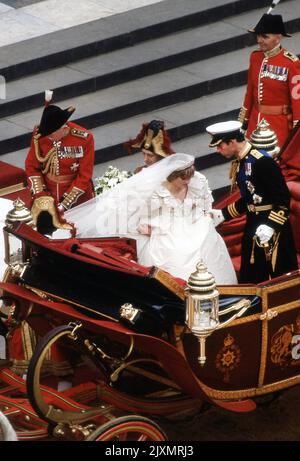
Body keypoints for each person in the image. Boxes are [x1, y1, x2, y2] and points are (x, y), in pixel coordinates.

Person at [66, 153, 237, 285]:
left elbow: (204, 206)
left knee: (207, 235)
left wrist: (201, 216)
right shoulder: (156, 192)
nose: (188, 182)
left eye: (189, 177)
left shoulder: (197, 181)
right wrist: (156, 229)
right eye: (183, 179)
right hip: (165, 228)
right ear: (172, 177)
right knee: (176, 253)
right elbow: (142, 220)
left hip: (192, 223)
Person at [207, 120, 298, 284]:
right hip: (253, 224)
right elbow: (251, 198)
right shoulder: (242, 161)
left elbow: (283, 200)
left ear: (232, 142)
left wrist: (272, 226)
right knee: (253, 274)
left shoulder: (263, 162)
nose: (219, 150)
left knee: (278, 278)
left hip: (273, 230)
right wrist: (224, 214)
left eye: (220, 146)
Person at [238, 13, 300, 148]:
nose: (259, 40)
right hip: (255, 123)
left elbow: (297, 101)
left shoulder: (291, 63)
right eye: (258, 35)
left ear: (278, 38)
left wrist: (296, 133)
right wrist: (243, 121)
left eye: (265, 36)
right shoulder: (255, 57)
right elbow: (250, 92)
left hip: (278, 126)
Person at [25, 93, 95, 212]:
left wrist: (64, 204)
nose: (49, 138)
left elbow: (85, 175)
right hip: (47, 193)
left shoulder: (85, 139)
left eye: (51, 135)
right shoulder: (40, 134)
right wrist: (40, 195)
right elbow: (32, 166)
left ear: (64, 129)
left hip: (76, 197)